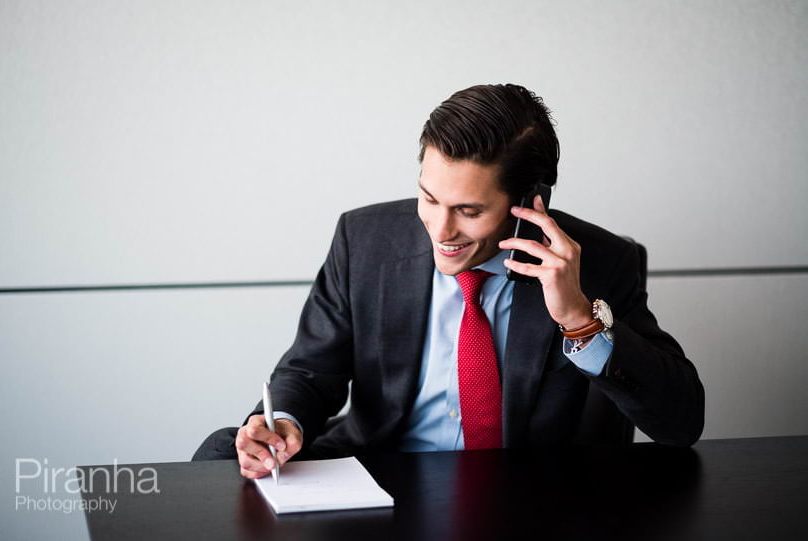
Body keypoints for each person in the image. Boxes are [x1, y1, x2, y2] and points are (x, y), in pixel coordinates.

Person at [227, 84, 705, 480]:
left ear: (531, 200)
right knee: (219, 454)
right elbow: (311, 371)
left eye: (469, 211)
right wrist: (281, 423)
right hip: (380, 471)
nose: (440, 229)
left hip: (525, 493)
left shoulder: (599, 262)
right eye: (429, 198)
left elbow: (681, 424)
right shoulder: (364, 239)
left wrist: (579, 319)